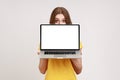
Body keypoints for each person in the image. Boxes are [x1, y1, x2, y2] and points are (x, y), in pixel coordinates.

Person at [37, 7, 83, 80]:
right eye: (56, 21)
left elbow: (79, 70)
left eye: (63, 21)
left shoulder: (75, 41)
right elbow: (42, 70)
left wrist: (72, 52)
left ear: (67, 23)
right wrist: (44, 54)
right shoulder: (45, 41)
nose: (60, 24)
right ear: (52, 22)